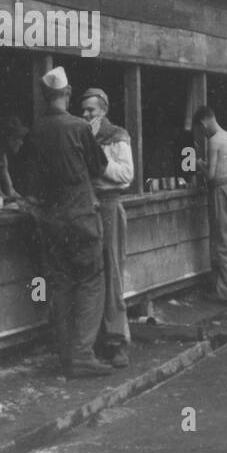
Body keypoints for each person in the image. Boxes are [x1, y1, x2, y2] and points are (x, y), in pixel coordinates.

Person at [24, 67, 109, 378]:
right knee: (90, 282)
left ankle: (65, 355)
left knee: (61, 286)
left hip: (51, 220)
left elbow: (32, 180)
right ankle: (83, 355)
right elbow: (99, 168)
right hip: (82, 218)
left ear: (46, 96)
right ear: (69, 92)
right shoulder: (78, 127)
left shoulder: (36, 130)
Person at [80, 88, 134, 368]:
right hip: (88, 207)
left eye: (91, 110)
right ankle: (97, 340)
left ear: (104, 110)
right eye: (84, 110)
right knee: (92, 273)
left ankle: (117, 342)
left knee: (112, 271)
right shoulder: (81, 135)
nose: (86, 114)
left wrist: (101, 164)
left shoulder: (117, 136)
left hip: (110, 204)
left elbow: (127, 174)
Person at [194, 106, 227, 303]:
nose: (203, 133)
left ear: (204, 123)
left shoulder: (214, 141)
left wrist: (199, 164)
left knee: (221, 244)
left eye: (201, 129)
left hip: (222, 192)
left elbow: (212, 176)